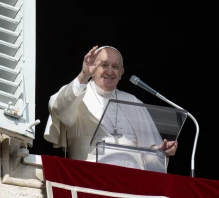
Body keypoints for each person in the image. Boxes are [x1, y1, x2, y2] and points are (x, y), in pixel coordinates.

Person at [44, 45, 178, 173]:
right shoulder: (77, 93)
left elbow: (149, 156)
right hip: (89, 175)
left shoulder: (132, 101)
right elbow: (59, 109)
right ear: (93, 68)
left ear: (121, 73)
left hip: (133, 179)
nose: (110, 71)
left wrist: (161, 152)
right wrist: (84, 75)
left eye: (115, 67)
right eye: (104, 65)